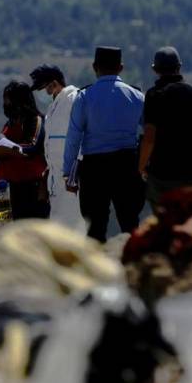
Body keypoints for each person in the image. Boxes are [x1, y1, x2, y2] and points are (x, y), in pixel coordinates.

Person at [64, 46, 145, 243]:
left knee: (94, 227)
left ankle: (95, 269)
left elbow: (74, 137)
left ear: (94, 67)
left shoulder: (84, 97)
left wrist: (68, 172)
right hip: (127, 164)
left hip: (94, 167)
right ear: (121, 67)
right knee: (130, 223)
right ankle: (132, 267)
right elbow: (150, 132)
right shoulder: (137, 96)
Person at [139, 46, 192, 209]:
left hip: (159, 174)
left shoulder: (153, 95)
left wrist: (141, 166)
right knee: (186, 222)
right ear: (179, 67)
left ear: (155, 70)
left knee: (163, 223)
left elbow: (149, 137)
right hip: (188, 175)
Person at [0, 81, 50, 220]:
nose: (6, 104)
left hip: (31, 189)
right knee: (8, 234)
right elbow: (4, 159)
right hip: (7, 189)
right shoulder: (9, 125)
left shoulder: (36, 120)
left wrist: (9, 148)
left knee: (31, 234)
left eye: (9, 100)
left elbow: (33, 147)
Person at [30, 65, 83, 229]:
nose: (43, 93)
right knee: (60, 225)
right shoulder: (53, 107)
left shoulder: (74, 100)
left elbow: (81, 136)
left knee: (74, 225)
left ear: (54, 84)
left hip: (71, 178)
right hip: (56, 180)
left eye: (44, 88)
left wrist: (75, 173)